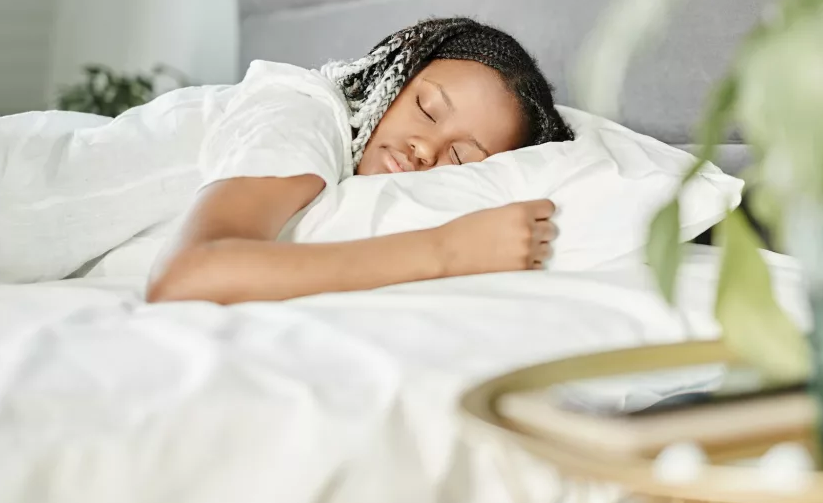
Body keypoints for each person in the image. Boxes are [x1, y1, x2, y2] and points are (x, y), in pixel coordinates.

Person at [146, 17, 575, 304]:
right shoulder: (308, 113)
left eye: (461, 156)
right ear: (395, 73)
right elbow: (185, 274)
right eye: (426, 108)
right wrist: (448, 250)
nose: (425, 150)